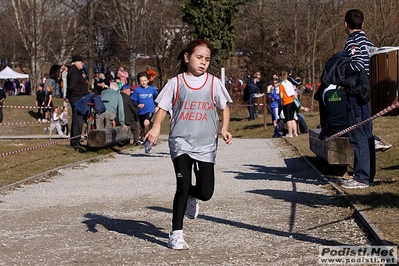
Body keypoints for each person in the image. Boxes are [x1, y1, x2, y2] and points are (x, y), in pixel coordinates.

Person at [145, 39, 233, 250]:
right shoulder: (176, 83)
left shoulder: (213, 83)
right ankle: (176, 234)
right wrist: (156, 127)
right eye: (199, 57)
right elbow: (162, 109)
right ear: (187, 58)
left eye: (207, 59)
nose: (203, 62)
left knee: (206, 192)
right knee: (182, 185)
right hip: (181, 142)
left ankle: (194, 196)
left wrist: (224, 128)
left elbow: (225, 107)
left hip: (205, 144)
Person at [131, 72, 159, 153]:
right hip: (141, 112)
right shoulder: (137, 90)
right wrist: (138, 105)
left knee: (146, 123)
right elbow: (134, 101)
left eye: (145, 80)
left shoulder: (152, 89)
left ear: (147, 80)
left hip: (150, 110)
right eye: (141, 81)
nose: (143, 82)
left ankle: (149, 140)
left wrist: (157, 105)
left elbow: (156, 97)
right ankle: (147, 140)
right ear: (139, 81)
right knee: (143, 128)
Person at [65, 54, 89, 148]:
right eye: (81, 62)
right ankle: (75, 141)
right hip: (76, 97)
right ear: (76, 62)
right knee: (77, 119)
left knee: (78, 119)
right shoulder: (74, 72)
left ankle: (76, 139)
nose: (82, 64)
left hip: (79, 96)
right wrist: (67, 96)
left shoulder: (77, 71)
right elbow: (71, 86)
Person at [279, 71, 297, 137]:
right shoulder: (289, 83)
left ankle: (290, 133)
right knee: (292, 118)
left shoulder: (281, 85)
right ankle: (295, 132)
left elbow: (281, 95)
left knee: (288, 119)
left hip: (286, 103)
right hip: (292, 102)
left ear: (281, 77)